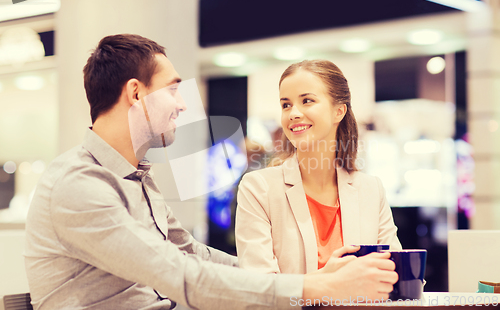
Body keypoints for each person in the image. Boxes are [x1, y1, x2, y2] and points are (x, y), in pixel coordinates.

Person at [25, 35, 398, 310]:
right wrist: (315, 288)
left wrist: (304, 280)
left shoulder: (136, 179)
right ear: (137, 94)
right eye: (173, 90)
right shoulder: (79, 184)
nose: (183, 104)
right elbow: (181, 276)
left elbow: (194, 255)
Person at [235, 60, 402, 275]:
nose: (293, 113)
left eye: (307, 101)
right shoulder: (258, 188)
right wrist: (328, 280)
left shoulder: (371, 189)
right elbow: (262, 289)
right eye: (286, 105)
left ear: (338, 112)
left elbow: (394, 274)